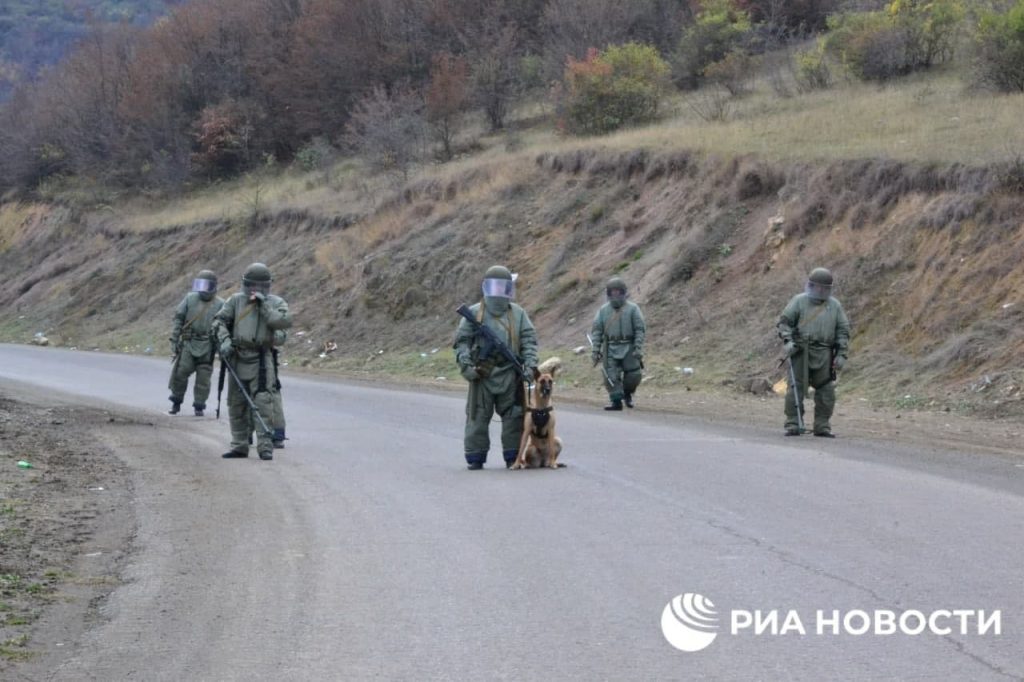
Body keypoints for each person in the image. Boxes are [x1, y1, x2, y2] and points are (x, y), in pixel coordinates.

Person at [453, 265, 539, 470]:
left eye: (504, 287)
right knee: (477, 415)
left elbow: (529, 341)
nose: (500, 292)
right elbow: (461, 342)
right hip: (482, 373)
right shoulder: (474, 313)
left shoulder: (518, 314)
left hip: (510, 374)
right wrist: (466, 364)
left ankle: (512, 456)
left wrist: (529, 366)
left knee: (514, 416)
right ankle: (475, 456)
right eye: (496, 287)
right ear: (487, 287)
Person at [212, 263, 292, 460]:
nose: (254, 290)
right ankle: (239, 444)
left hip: (262, 358)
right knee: (236, 403)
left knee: (263, 402)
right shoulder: (235, 301)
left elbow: (282, 326)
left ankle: (265, 446)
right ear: (244, 285)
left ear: (268, 286)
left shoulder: (276, 303)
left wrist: (264, 305)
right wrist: (225, 341)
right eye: (251, 286)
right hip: (237, 356)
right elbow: (218, 322)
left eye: (260, 286)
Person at [777, 267, 851, 438]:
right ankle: (794, 423)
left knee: (826, 391)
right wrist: (788, 341)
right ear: (811, 285)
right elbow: (784, 323)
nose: (821, 291)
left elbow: (843, 331)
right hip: (801, 351)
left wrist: (841, 354)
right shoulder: (799, 301)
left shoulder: (835, 306)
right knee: (795, 389)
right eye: (818, 287)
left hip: (825, 353)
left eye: (825, 288)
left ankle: (822, 426)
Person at [168, 270, 224, 416]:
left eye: (206, 285)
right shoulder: (190, 299)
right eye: (200, 285)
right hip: (189, 343)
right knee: (181, 373)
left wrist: (223, 346)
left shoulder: (220, 304)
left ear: (213, 287)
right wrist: (174, 339)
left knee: (203, 379)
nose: (203, 289)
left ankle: (199, 405)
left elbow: (224, 326)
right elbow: (179, 318)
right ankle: (176, 402)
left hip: (208, 346)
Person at [590, 276, 646, 411]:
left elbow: (640, 329)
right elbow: (597, 331)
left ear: (623, 292)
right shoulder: (603, 311)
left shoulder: (633, 309)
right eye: (612, 292)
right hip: (610, 348)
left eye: (618, 291)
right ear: (608, 293)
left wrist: (638, 347)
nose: (615, 294)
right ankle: (616, 401)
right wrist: (595, 350)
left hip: (629, 346)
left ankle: (627, 393)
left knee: (634, 374)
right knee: (610, 375)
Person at [271, 329, 287, 449]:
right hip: (243, 355)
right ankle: (245, 435)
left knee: (273, 393)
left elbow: (280, 337)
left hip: (266, 356)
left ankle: (278, 434)